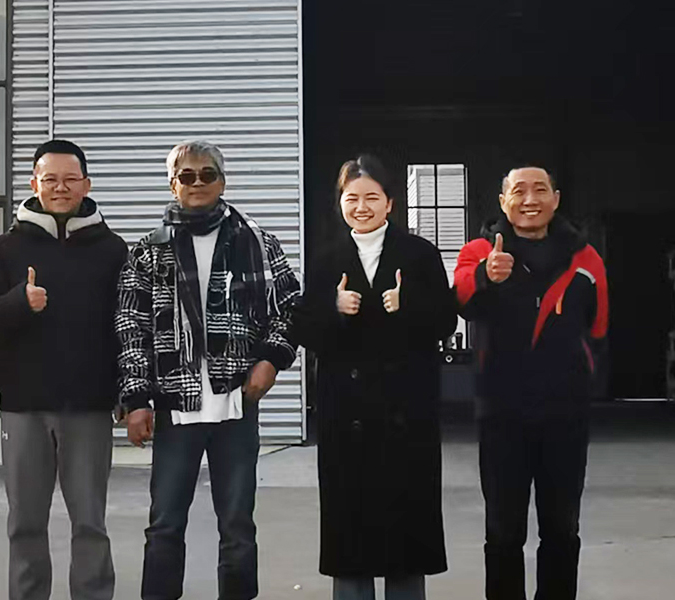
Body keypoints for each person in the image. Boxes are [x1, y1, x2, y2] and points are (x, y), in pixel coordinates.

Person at [116, 140, 300, 600]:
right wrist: (136, 400)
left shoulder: (257, 242)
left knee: (237, 525)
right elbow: (131, 326)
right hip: (175, 408)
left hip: (236, 404)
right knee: (164, 524)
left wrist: (271, 359)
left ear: (222, 181)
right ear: (172, 184)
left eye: (207, 174)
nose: (197, 183)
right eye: (187, 175)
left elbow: (290, 308)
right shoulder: (149, 251)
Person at [291, 154, 456, 600]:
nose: (361, 207)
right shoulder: (327, 259)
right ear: (340, 203)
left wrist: (409, 306)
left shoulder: (420, 254)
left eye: (371, 197)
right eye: (352, 198)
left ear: (390, 203)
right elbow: (302, 330)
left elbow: (446, 321)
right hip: (347, 416)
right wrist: (333, 309)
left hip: (407, 414)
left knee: (406, 533)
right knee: (351, 532)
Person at [0, 139, 125, 600]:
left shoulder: (112, 249)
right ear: (34, 183)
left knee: (90, 522)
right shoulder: (5, 248)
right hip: (24, 408)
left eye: (70, 179)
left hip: (90, 407)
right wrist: (18, 303)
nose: (60, 188)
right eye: (50, 179)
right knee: (25, 522)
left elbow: (127, 327)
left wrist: (125, 392)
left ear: (87, 184)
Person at [453, 166, 609, 600]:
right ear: (502, 201)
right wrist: (486, 276)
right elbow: (459, 299)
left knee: (562, 527)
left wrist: (580, 376)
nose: (529, 199)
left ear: (556, 199)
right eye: (518, 191)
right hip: (501, 414)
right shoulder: (480, 251)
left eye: (540, 190)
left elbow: (599, 327)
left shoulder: (586, 258)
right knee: (503, 530)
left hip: (566, 415)